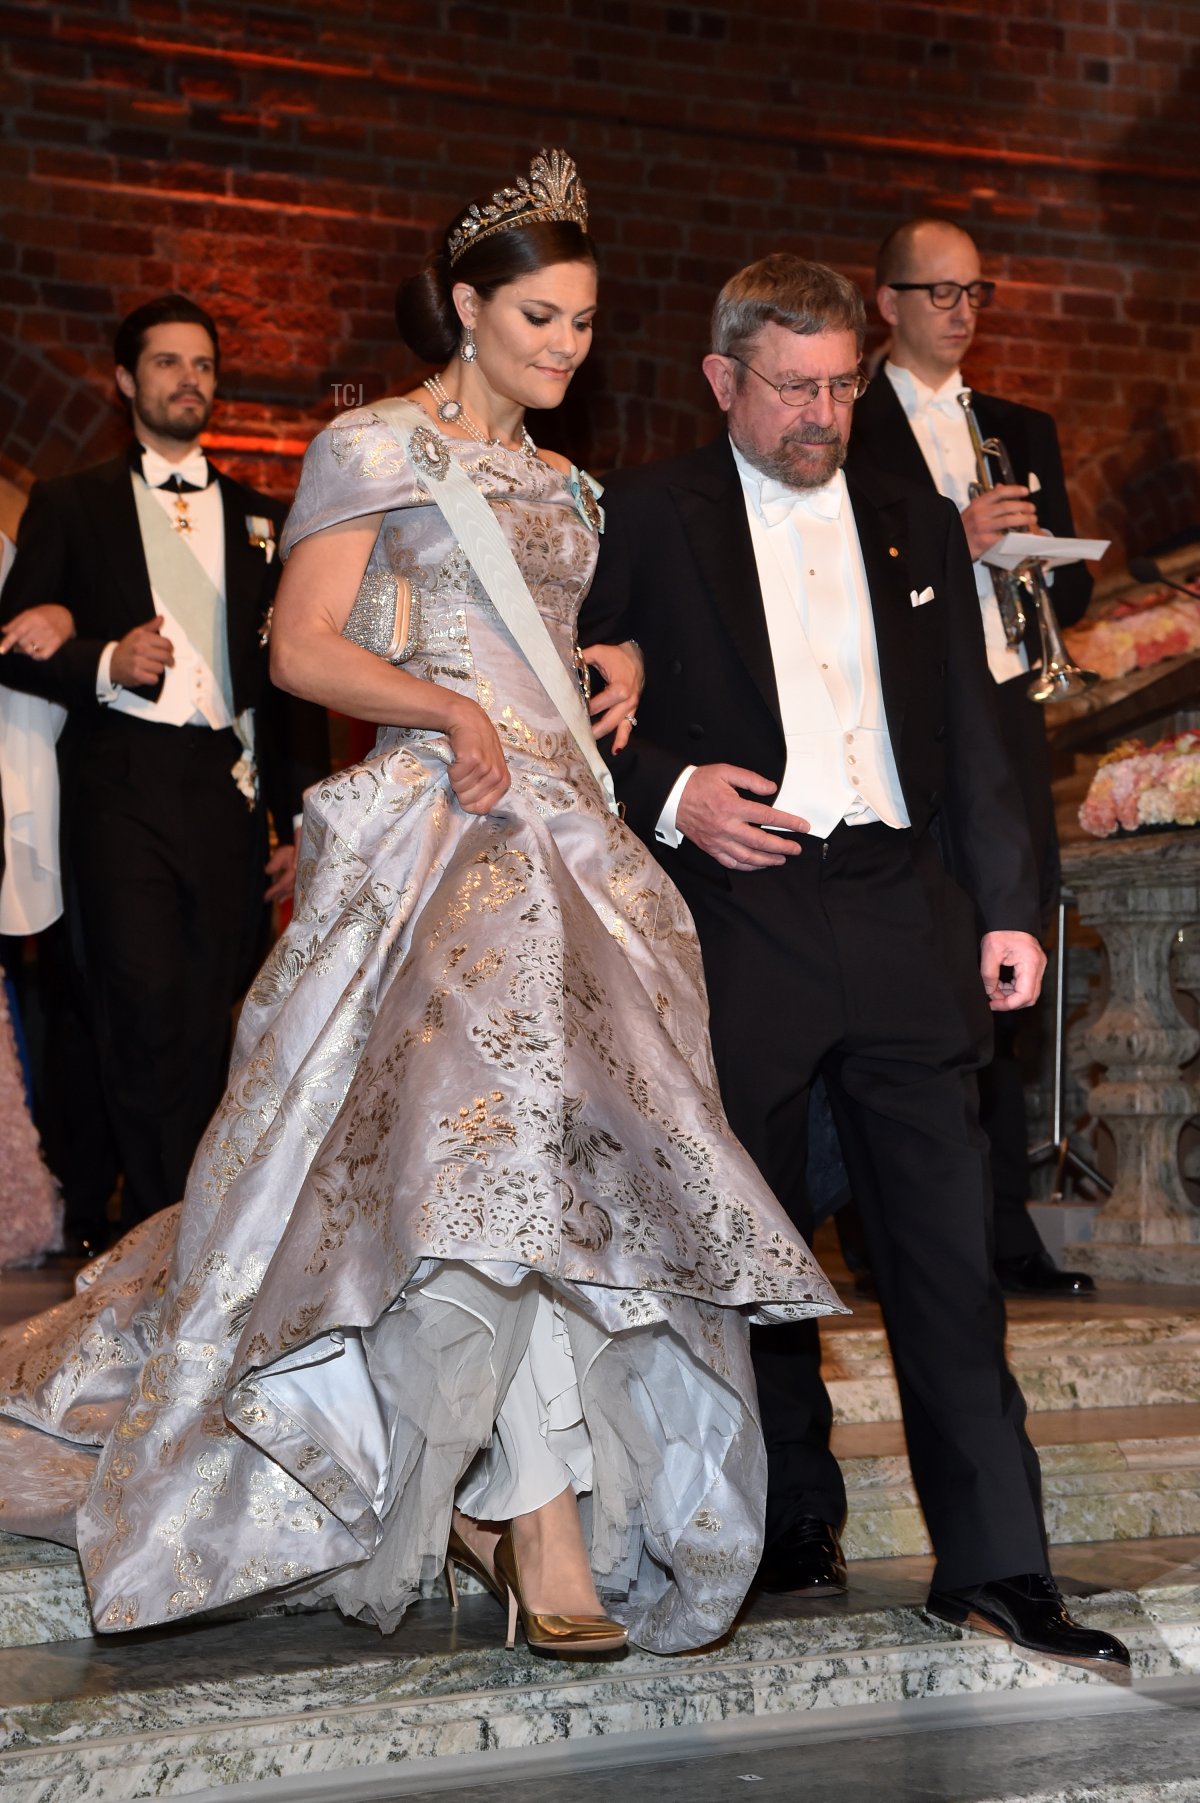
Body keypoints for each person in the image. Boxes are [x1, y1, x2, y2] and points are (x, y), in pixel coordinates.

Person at [0, 155, 841, 1659]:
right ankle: (540, 1516)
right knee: (484, 1158)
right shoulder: (370, 447)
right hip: (442, 839)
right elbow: (304, 647)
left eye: (585, 322)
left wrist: (620, 671)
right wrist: (444, 707)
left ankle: (525, 1496)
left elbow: (570, 651)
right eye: (538, 315)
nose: (565, 347)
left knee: (573, 1173)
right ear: (465, 305)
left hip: (573, 848)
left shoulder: (573, 486)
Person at [579, 252, 1128, 1668]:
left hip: (898, 907)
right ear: (722, 380)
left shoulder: (909, 520)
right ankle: (764, 1522)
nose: (822, 414)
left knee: (946, 1251)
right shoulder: (643, 512)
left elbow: (971, 725)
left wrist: (1007, 907)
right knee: (744, 1241)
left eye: (838, 385)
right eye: (794, 387)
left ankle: (999, 1565)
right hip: (737, 906)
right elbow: (567, 703)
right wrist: (672, 787)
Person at [0, 295, 329, 1243]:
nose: (190, 379)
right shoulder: (72, 503)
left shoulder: (267, 519)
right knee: (139, 998)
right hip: (115, 787)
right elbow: (14, 645)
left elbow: (294, 682)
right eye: (168, 363)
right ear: (123, 380)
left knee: (210, 1003)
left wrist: (302, 824)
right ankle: (161, 1229)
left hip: (225, 795)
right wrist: (103, 658)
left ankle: (191, 1218)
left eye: (203, 365)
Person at [846, 217, 1095, 1299]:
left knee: (1010, 964)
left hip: (1005, 715)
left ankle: (1000, 1228)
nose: (958, 312)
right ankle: (879, 1222)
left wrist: (1034, 559)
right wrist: (963, 541)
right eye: (937, 293)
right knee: (909, 966)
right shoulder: (847, 422)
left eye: (973, 293)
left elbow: (1073, 592)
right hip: (906, 722)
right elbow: (847, 565)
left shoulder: (1018, 426)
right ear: (885, 301)